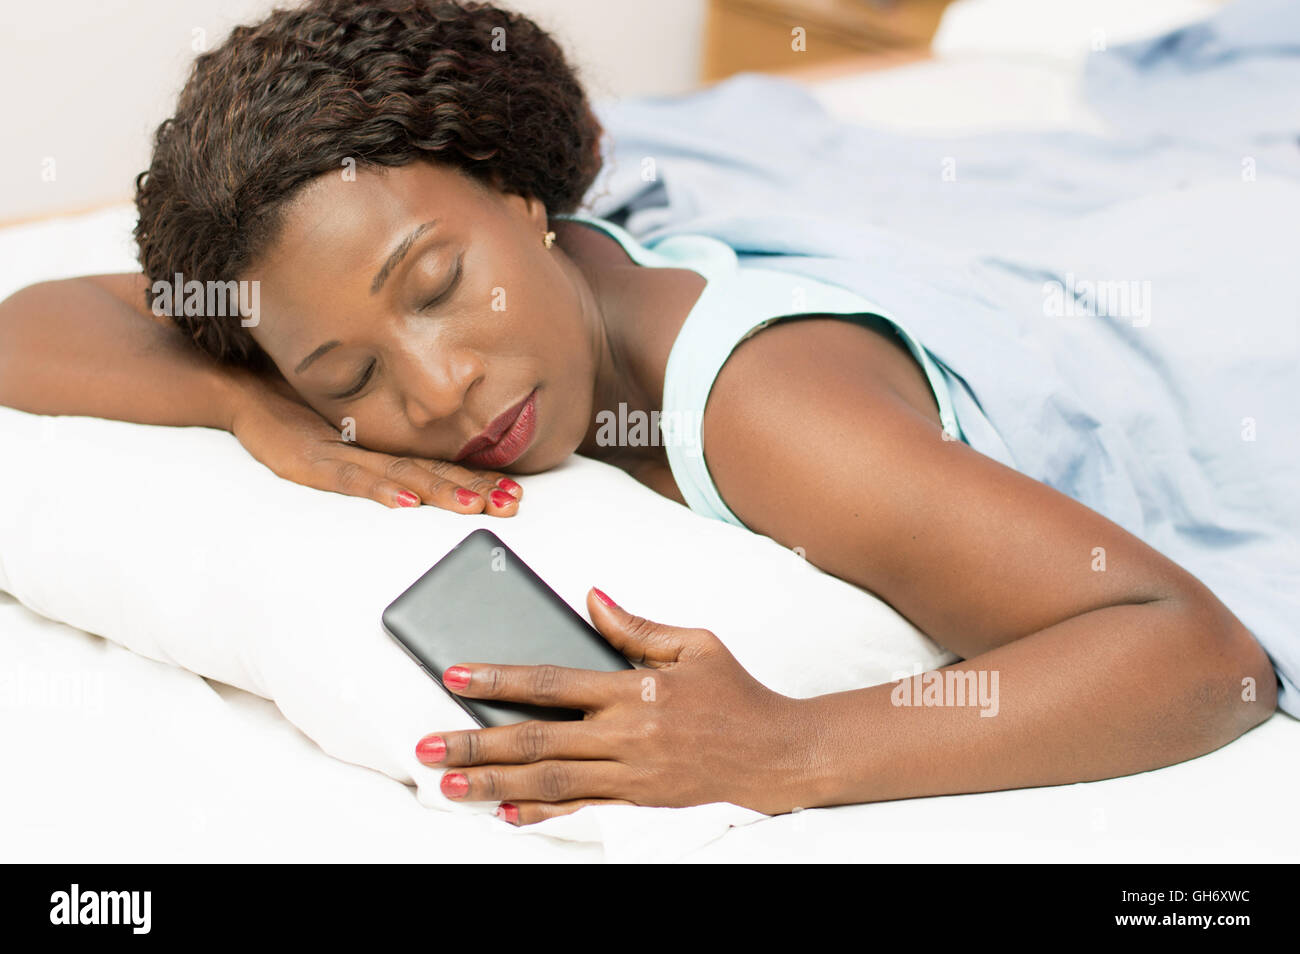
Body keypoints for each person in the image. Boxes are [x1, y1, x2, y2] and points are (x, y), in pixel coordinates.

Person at [0, 0, 1275, 827]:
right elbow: (31, 322)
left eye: (439, 287)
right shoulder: (323, 303)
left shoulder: (768, 413)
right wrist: (249, 407)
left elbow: (1199, 655)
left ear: (516, 194)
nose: (434, 390)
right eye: (347, 377)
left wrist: (784, 750)